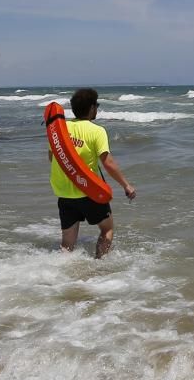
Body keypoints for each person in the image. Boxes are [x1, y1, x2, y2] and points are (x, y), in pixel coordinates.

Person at [49, 88, 136, 258]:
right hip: (89, 191)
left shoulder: (58, 131)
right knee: (107, 228)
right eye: (97, 105)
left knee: (67, 242)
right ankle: (99, 265)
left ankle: (63, 272)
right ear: (91, 108)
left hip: (64, 194)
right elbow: (108, 163)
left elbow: (52, 158)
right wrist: (126, 185)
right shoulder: (97, 131)